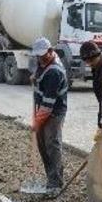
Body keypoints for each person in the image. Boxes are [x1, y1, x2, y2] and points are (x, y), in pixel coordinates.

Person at [31, 37, 68, 194]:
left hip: (54, 112)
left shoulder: (54, 72)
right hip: (43, 108)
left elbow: (48, 105)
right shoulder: (43, 62)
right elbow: (39, 76)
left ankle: (56, 183)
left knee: (52, 145)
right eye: (38, 56)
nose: (40, 58)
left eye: (43, 55)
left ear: (51, 51)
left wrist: (37, 123)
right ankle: (50, 177)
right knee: (42, 145)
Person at [80, 41, 102, 128]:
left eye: (91, 60)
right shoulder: (101, 62)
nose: (89, 64)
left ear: (98, 55)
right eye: (87, 61)